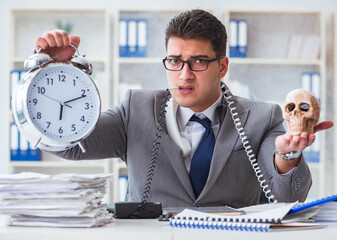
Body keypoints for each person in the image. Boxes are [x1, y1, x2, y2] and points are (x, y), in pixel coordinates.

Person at [35, 9, 333, 208]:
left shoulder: (262, 117)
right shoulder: (136, 109)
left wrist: (288, 153)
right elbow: (70, 146)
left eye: (199, 61)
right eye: (175, 61)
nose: (184, 74)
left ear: (223, 66)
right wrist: (51, 76)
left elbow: (288, 195)